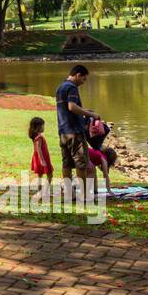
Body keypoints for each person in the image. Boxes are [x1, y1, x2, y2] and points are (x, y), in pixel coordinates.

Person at [55, 64, 100, 198]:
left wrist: (84, 113)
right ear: (78, 75)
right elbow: (72, 107)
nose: (83, 82)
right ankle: (85, 195)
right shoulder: (72, 87)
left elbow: (66, 109)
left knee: (67, 163)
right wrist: (90, 114)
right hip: (74, 132)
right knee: (81, 163)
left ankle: (70, 194)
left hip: (63, 131)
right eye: (83, 79)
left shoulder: (60, 87)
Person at [28, 116, 52, 191]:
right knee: (50, 175)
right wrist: (42, 160)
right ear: (38, 127)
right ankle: (44, 191)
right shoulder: (39, 137)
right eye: (42, 126)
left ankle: (40, 191)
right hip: (42, 158)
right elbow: (38, 149)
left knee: (40, 175)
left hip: (37, 157)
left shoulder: (35, 136)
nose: (44, 127)